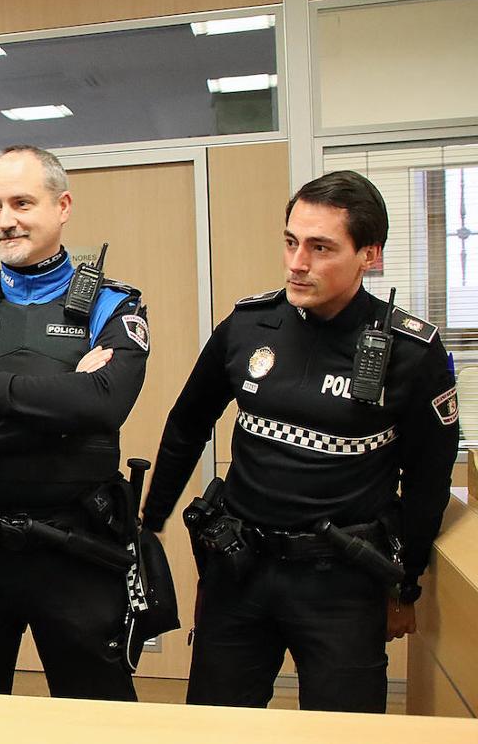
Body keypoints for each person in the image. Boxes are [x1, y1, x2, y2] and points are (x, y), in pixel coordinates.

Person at [141, 170, 458, 713]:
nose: (297, 263)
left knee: (343, 732)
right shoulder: (248, 326)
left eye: (320, 247)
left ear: (369, 255)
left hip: (341, 583)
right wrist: (150, 524)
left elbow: (429, 478)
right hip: (239, 570)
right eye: (290, 242)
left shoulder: (412, 351)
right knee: (216, 728)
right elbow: (187, 422)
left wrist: (405, 581)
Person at [0, 145, 149, 700]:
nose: (5, 220)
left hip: (76, 552)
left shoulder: (113, 306)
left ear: (62, 206)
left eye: (22, 203)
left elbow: (105, 405)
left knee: (99, 720)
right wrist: (67, 413)